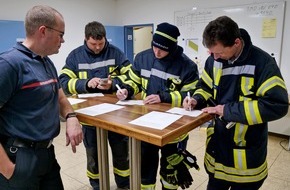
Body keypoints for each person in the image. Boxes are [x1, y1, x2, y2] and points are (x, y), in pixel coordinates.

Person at [183, 15, 289, 190]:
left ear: (237, 43)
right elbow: (205, 87)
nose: (215, 58)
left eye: (219, 52)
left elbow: (277, 105)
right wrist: (196, 99)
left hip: (246, 159)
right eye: (211, 52)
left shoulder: (262, 63)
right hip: (218, 151)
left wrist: (227, 110)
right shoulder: (214, 60)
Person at [0, 5, 83, 190]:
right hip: (19, 158)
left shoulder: (46, 61)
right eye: (61, 34)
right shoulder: (9, 64)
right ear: (43, 31)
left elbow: (60, 97)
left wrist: (70, 117)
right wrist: (7, 169)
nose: (63, 40)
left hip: (47, 155)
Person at [116, 22, 200, 190]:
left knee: (170, 170)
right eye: (154, 46)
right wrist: (126, 90)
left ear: (173, 47)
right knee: (146, 168)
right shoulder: (142, 58)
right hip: (147, 125)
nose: (157, 52)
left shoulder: (187, 66)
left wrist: (164, 97)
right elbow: (134, 81)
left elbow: (191, 95)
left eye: (162, 49)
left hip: (174, 130)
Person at [59, 21, 131, 190]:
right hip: (89, 118)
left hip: (116, 117)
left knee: (121, 153)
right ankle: (97, 185)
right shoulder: (75, 56)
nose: (98, 47)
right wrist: (86, 83)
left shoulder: (116, 53)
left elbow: (131, 77)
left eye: (101, 43)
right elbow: (63, 82)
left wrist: (113, 85)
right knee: (94, 156)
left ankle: (124, 184)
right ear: (85, 39)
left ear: (105, 38)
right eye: (93, 44)